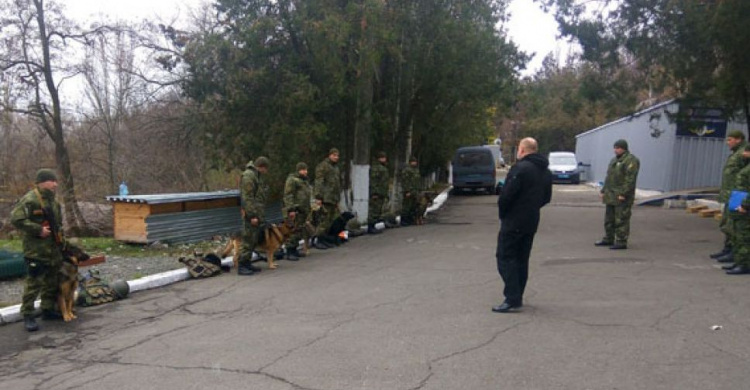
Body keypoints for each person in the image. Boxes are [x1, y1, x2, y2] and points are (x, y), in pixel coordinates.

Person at [10, 169, 84, 331]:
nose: (55, 184)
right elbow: (16, 219)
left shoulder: (54, 203)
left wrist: (64, 245)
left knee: (51, 283)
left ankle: (47, 310)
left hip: (54, 251)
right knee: (33, 284)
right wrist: (38, 230)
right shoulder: (30, 200)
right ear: (42, 182)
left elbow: (58, 227)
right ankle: (28, 315)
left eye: (56, 181)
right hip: (36, 252)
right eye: (52, 181)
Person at [493, 138, 552, 313]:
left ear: (523, 150)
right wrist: (532, 208)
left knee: (505, 257)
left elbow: (507, 196)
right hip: (531, 220)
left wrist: (504, 213)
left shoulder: (520, 169)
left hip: (514, 220)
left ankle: (512, 297)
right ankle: (517, 295)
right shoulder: (545, 171)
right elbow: (546, 197)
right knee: (521, 259)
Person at [595, 139, 640, 250]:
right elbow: (609, 177)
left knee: (621, 218)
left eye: (618, 148)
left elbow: (630, 179)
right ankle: (608, 238)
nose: (615, 150)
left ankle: (621, 241)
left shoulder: (631, 160)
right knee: (609, 218)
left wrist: (624, 193)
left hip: (622, 195)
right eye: (615, 148)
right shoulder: (614, 160)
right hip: (611, 194)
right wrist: (603, 190)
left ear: (623, 148)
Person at [711, 130, 747, 263]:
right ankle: (728, 249)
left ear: (739, 139)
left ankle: (734, 252)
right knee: (726, 223)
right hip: (730, 194)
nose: (728, 143)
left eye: (730, 140)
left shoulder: (743, 154)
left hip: (737, 195)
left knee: (733, 225)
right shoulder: (736, 153)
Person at [238, 157, 270, 275]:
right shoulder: (249, 176)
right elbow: (248, 198)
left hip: (256, 213)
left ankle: (247, 263)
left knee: (252, 240)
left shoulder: (255, 176)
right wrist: (252, 216)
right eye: (266, 169)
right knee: (247, 240)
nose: (266, 172)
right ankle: (242, 265)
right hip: (251, 215)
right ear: (262, 167)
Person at [723, 144, 750, 275]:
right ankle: (739, 261)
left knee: (744, 235)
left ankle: (744, 264)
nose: (744, 154)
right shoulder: (746, 165)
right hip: (738, 201)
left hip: (745, 205)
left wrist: (746, 205)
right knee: (736, 233)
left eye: (747, 152)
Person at [283, 162, 312, 260]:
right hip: (295, 210)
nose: (305, 171)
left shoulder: (304, 181)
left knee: (299, 230)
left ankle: (294, 249)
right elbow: (288, 195)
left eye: (306, 169)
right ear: (298, 170)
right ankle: (289, 251)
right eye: (303, 169)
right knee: (293, 230)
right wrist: (291, 209)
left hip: (303, 210)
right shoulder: (292, 180)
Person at [314, 148, 341, 239]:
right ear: (329, 155)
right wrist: (318, 196)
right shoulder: (323, 166)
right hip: (325, 197)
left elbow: (336, 184)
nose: (336, 157)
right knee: (324, 220)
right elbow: (319, 182)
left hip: (333, 198)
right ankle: (318, 239)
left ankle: (325, 238)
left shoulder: (335, 168)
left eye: (337, 156)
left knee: (330, 220)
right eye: (334, 155)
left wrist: (337, 199)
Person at [368, 151, 389, 234]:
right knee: (373, 210)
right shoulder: (376, 168)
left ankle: (374, 225)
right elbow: (374, 182)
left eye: (384, 157)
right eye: (382, 158)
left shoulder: (383, 168)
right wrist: (374, 193)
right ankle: (371, 227)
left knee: (377, 210)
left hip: (381, 193)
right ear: (379, 158)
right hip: (376, 193)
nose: (384, 159)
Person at [399, 156, 421, 226]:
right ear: (410, 162)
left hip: (415, 191)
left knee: (412, 206)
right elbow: (405, 181)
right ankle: (403, 220)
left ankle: (410, 219)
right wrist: (407, 191)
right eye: (413, 161)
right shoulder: (407, 170)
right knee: (406, 206)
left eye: (415, 161)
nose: (414, 163)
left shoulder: (416, 170)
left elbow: (417, 181)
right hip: (409, 191)